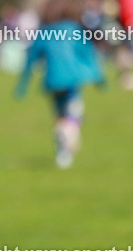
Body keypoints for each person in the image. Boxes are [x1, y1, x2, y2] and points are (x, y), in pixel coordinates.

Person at [15, 0, 106, 169]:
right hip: (71, 81)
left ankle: (62, 151)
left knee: (59, 115)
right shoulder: (73, 29)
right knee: (73, 114)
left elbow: (31, 59)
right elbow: (88, 53)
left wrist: (23, 84)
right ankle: (67, 136)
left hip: (53, 82)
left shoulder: (44, 32)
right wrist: (99, 77)